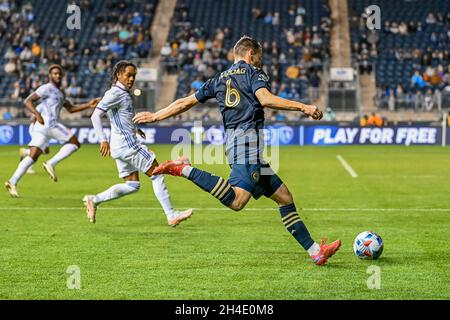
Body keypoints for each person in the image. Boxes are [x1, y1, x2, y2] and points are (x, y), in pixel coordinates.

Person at [133, 36, 341, 266]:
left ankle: (316, 252)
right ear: (250, 54)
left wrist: (155, 116)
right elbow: (265, 98)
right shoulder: (254, 73)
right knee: (237, 201)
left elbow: (185, 102)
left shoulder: (218, 79)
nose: (260, 62)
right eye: (259, 57)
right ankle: (183, 170)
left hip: (236, 143)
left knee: (284, 197)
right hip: (246, 143)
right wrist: (303, 106)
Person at [84, 61, 193, 227]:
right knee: (156, 174)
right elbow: (95, 116)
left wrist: (135, 128)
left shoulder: (121, 93)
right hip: (128, 146)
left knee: (133, 185)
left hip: (119, 146)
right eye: (128, 75)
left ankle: (94, 199)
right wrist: (102, 139)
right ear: (118, 75)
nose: (132, 79)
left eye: (134, 75)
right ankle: (171, 214)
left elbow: (120, 116)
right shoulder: (115, 93)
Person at [5, 65, 100, 198]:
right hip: (49, 124)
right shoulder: (46, 88)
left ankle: (12, 181)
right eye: (55, 73)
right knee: (75, 143)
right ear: (50, 75)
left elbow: (71, 108)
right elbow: (28, 101)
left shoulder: (60, 93)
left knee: (33, 156)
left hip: (42, 128)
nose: (57, 76)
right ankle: (51, 163)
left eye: (59, 74)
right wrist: (37, 114)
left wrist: (89, 105)